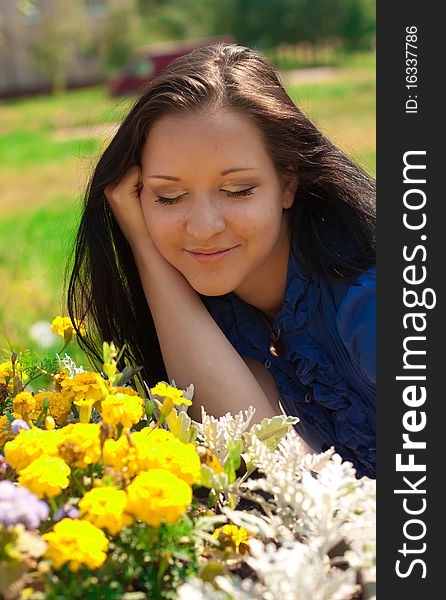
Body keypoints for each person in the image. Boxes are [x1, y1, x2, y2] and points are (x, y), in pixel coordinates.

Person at [67, 43, 376, 479]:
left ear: (287, 182)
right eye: (168, 196)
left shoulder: (375, 301)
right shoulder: (222, 320)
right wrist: (143, 244)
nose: (204, 227)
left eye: (237, 190)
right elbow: (271, 467)